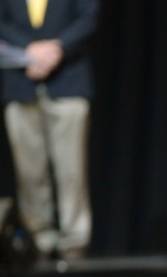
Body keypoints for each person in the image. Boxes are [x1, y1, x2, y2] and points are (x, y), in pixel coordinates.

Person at [0, 0, 98, 259]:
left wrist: (57, 49)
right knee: (30, 173)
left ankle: (74, 244)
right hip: (20, 84)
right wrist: (30, 50)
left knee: (71, 171)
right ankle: (39, 242)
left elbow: (89, 18)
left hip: (67, 82)